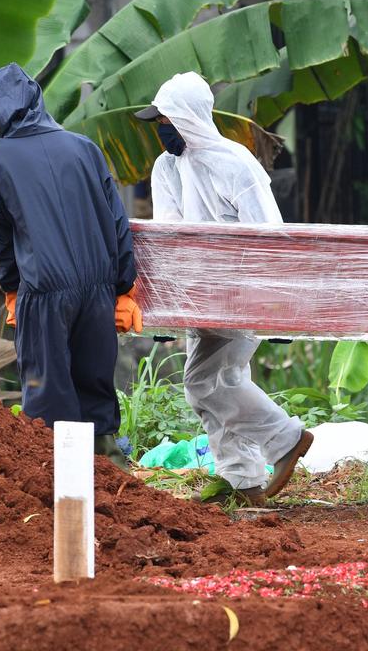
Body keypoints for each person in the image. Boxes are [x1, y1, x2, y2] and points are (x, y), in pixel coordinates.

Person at [136, 71, 313, 506]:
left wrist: (275, 301)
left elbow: (269, 234)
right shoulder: (167, 167)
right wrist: (167, 302)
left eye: (167, 120)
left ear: (189, 118)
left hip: (239, 292)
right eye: (159, 122)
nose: (162, 130)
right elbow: (168, 234)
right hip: (197, 294)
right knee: (219, 383)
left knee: (203, 383)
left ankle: (285, 439)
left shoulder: (236, 163)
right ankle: (243, 482)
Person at [0, 63, 141, 467]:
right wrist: (121, 287)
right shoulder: (85, 149)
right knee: (96, 386)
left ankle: (59, 489)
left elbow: (0, 237)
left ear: (1, 114)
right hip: (98, 289)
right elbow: (117, 222)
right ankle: (112, 478)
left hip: (43, 289)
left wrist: (11, 287)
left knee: (49, 399)